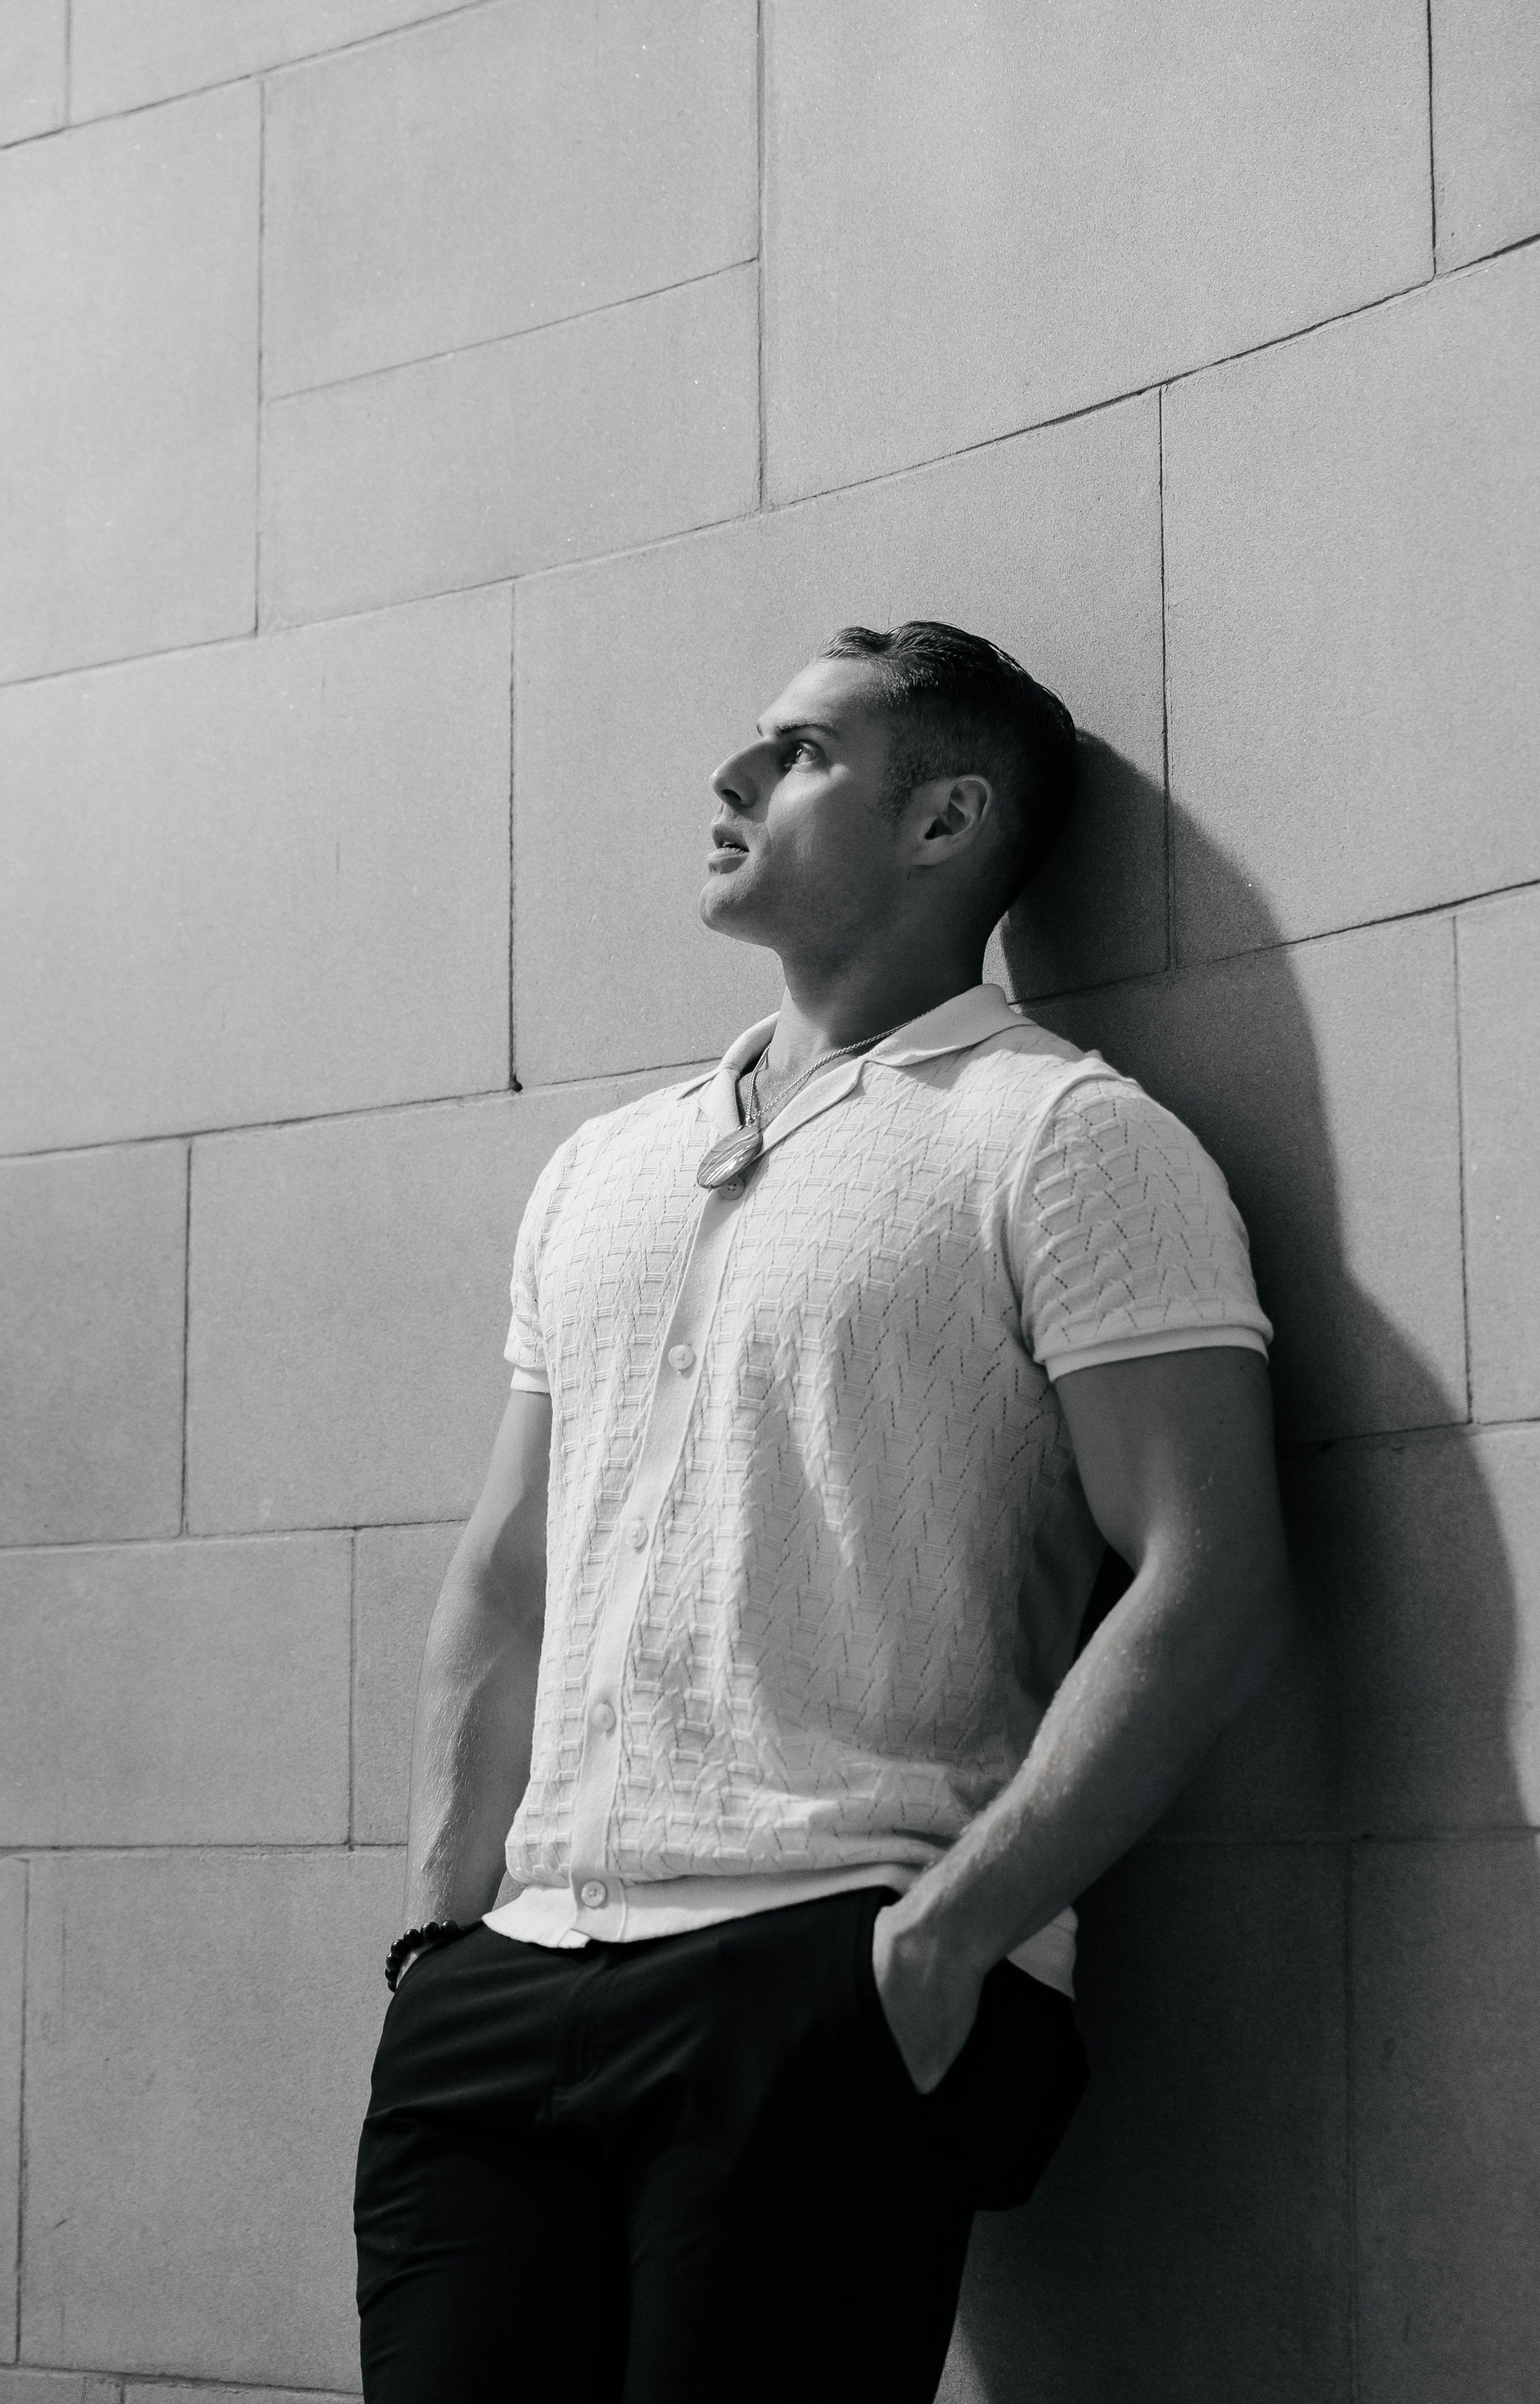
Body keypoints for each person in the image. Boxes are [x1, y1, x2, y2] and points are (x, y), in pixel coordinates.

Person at [353, 620, 1291, 2403]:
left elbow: (1213, 1575)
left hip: (820, 1967)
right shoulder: (605, 1165)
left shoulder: (1064, 1140)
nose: (730, 776)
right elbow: (507, 1571)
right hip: (509, 1988)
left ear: (946, 822)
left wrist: (941, 1944)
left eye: (798, 753)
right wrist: (436, 1937)